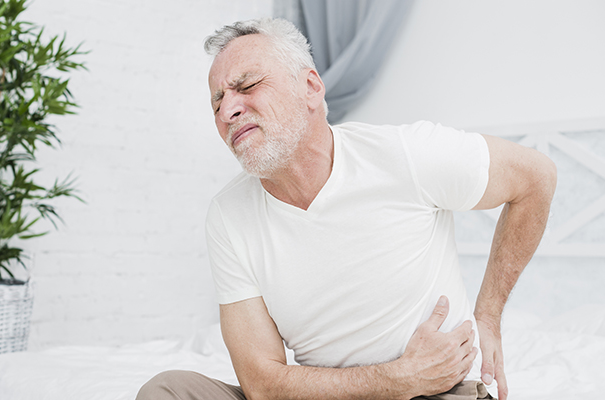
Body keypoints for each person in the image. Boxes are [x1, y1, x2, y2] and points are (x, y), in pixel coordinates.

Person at [137, 18, 556, 400]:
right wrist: (396, 378)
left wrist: (489, 317)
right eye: (217, 103)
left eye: (247, 87)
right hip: (331, 394)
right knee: (167, 391)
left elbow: (536, 177)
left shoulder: (406, 154)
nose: (228, 110)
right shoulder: (229, 215)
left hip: (435, 391)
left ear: (311, 89)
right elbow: (262, 384)